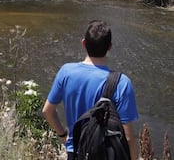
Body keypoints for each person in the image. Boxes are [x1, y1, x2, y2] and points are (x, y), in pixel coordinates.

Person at [42, 20, 138, 160]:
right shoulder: (122, 83)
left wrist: (64, 135)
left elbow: (47, 111)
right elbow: (128, 138)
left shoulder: (66, 72)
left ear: (83, 43)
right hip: (104, 154)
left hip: (75, 152)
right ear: (110, 47)